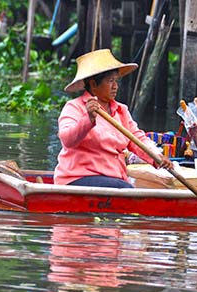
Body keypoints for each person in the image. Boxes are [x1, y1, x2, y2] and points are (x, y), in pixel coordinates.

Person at [54, 49, 173, 188]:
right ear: (93, 84)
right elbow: (67, 139)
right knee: (126, 190)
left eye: (116, 81)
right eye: (110, 81)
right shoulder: (75, 107)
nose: (115, 86)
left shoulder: (121, 110)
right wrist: (88, 119)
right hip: (78, 177)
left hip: (113, 178)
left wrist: (157, 157)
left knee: (128, 188)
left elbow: (137, 138)